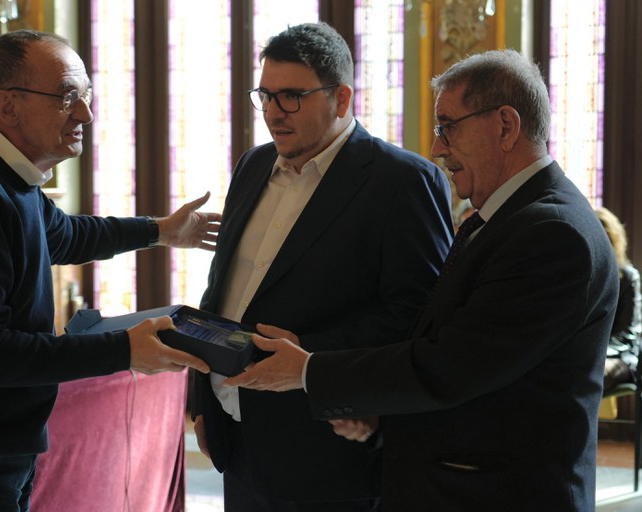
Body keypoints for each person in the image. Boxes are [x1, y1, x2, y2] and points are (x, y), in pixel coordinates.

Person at [224, 49, 619, 511]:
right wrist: (378, 412)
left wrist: (309, 370)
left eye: (448, 127)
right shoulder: (512, 217)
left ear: (505, 126)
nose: (437, 149)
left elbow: (453, 365)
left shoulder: (553, 233)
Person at [0, 30, 220, 511]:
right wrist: (123, 349)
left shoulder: (7, 179)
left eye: (86, 95)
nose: (85, 113)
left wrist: (160, 231)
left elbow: (64, 235)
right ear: (7, 105)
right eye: (66, 97)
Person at [192, 22, 454, 511]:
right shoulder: (252, 165)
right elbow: (221, 290)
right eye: (266, 95)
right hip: (236, 438)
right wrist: (201, 401)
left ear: (341, 98)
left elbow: (417, 315)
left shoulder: (402, 181)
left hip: (327, 448)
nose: (274, 112)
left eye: (292, 97)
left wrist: (311, 355)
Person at [596, 207, 641, 390]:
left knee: (589, 374)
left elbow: (627, 333)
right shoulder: (584, 278)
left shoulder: (628, 277)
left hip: (619, 356)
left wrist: (595, 353)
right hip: (589, 356)